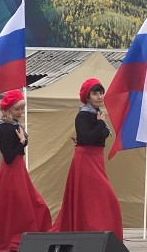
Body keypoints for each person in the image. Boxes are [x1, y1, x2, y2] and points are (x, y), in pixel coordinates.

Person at [50, 79, 123, 240]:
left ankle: (98, 232)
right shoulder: (83, 115)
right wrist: (101, 123)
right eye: (95, 93)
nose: (99, 96)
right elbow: (86, 138)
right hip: (86, 160)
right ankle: (92, 232)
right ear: (87, 97)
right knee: (101, 198)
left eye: (101, 93)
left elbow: (96, 136)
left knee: (95, 198)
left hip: (96, 159)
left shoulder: (97, 114)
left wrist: (100, 123)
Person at [0, 90, 52, 252]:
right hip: (12, 170)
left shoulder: (14, 125)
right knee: (19, 205)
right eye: (17, 109)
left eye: (22, 108)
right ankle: (14, 235)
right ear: (7, 109)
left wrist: (22, 141)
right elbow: (8, 156)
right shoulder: (5, 128)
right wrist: (21, 142)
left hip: (18, 168)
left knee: (26, 204)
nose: (21, 112)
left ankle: (23, 234)